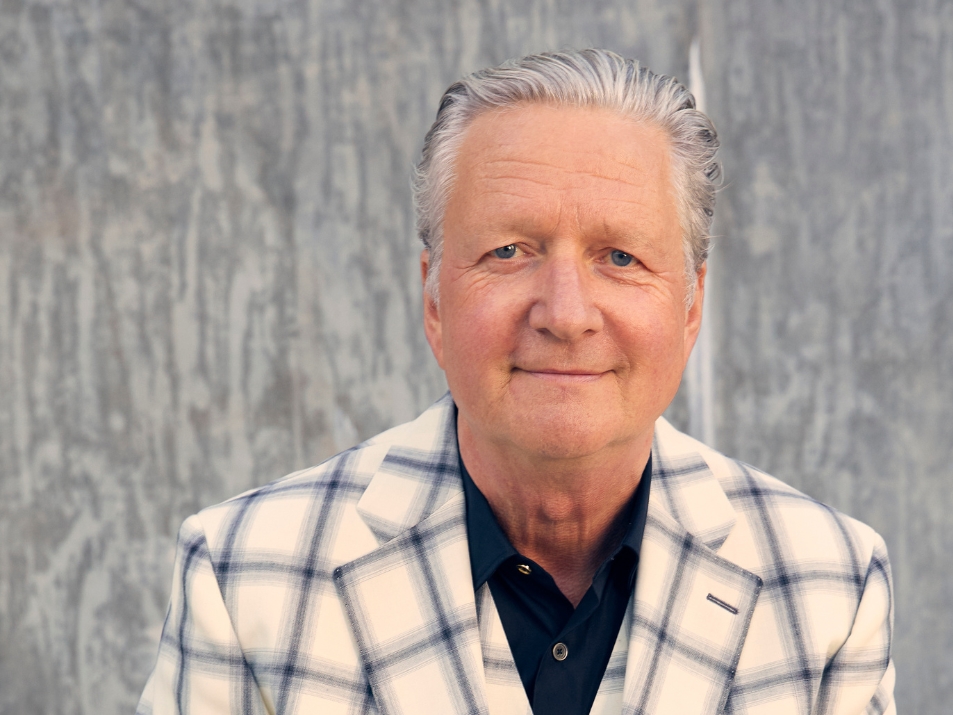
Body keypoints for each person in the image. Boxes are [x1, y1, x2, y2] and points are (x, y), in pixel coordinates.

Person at [138, 49, 895, 715]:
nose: (566, 314)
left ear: (691, 304)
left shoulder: (826, 584)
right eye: (508, 251)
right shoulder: (247, 575)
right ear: (433, 298)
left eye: (620, 258)